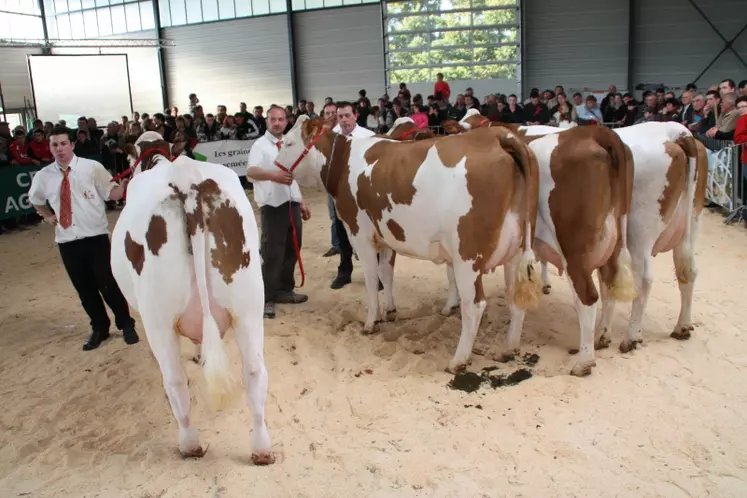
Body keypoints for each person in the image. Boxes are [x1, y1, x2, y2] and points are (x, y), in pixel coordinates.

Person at [28, 126, 138, 350]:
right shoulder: (43, 176)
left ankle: (126, 323)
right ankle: (100, 327)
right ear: (50, 147)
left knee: (107, 284)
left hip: (95, 237)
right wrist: (47, 215)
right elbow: (35, 199)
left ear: (72, 145)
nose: (59, 149)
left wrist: (125, 186)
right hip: (67, 241)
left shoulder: (92, 168)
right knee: (85, 289)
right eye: (54, 145)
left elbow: (112, 193)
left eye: (63, 144)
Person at [246, 106, 311, 319]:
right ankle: (267, 298)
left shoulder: (289, 144)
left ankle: (285, 290)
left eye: (281, 119)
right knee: (272, 252)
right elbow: (251, 172)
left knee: (293, 248)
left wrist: (300, 200)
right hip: (272, 206)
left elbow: (292, 176)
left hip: (291, 203)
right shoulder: (260, 146)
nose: (277, 123)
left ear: (286, 122)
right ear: (267, 121)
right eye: (273, 119)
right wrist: (273, 176)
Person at [330, 101, 379, 290]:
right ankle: (344, 272)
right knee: (342, 231)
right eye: (340, 116)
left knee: (371, 230)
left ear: (355, 115)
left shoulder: (368, 136)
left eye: (347, 115)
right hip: (338, 192)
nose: (343, 120)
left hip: (364, 192)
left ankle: (378, 276)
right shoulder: (332, 137)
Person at [321, 102, 341, 258]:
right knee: (333, 216)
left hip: (346, 181)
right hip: (329, 180)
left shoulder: (344, 132)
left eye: (333, 112)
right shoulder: (321, 135)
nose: (330, 116)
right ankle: (336, 245)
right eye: (327, 113)